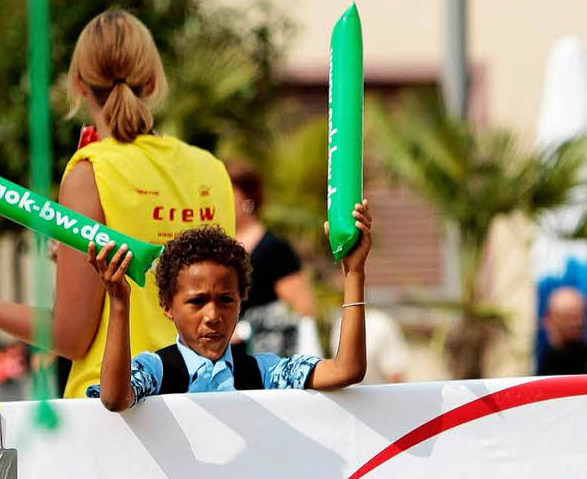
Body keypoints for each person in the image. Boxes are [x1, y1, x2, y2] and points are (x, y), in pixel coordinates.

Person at [0, 9, 235, 398]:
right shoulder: (211, 169)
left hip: (116, 412)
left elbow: (71, 337)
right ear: (153, 79)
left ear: (78, 83)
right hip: (206, 402)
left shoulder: (92, 170)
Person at [87, 202, 372, 410]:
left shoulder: (264, 372)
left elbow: (346, 370)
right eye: (197, 302)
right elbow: (115, 398)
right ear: (167, 306)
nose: (213, 316)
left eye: (225, 300)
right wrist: (120, 304)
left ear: (241, 301)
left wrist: (355, 273)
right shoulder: (155, 370)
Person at [228, 162, 317, 356]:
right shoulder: (218, 248)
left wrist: (245, 329)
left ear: (247, 198)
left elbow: (303, 308)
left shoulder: (275, 249)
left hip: (265, 360)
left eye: (228, 192)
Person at [329, 306, 410, 384]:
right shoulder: (339, 323)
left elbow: (395, 373)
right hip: (357, 394)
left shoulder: (381, 323)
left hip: (376, 394)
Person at [538, 286, 587, 375]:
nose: (579, 323)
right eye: (570, 317)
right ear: (550, 320)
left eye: (582, 316)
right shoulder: (550, 362)